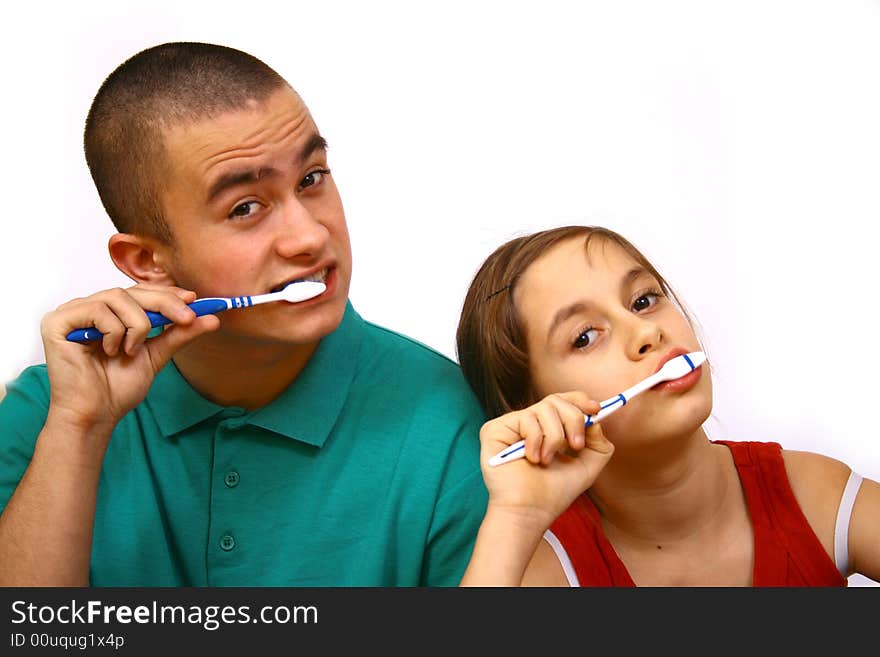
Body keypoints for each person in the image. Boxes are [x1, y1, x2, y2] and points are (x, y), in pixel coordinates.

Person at [0, 42, 488, 586]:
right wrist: (79, 429)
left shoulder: (453, 425)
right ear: (145, 261)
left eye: (311, 178)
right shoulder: (48, 415)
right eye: (246, 208)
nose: (310, 236)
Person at [455, 225, 880, 586]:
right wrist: (516, 515)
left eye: (644, 300)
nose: (644, 330)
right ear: (534, 409)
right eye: (585, 336)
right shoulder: (551, 569)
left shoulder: (812, 494)